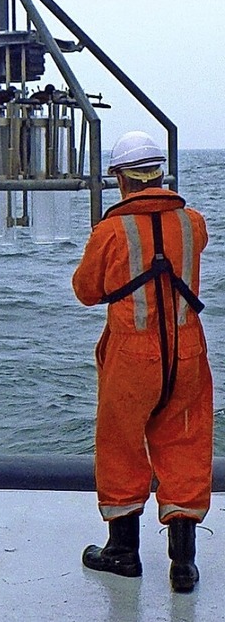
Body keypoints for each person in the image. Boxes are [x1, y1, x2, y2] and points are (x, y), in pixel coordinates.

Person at [72, 131, 213, 593]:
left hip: (132, 356)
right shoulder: (193, 222)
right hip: (188, 352)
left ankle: (123, 553)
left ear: (120, 179)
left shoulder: (110, 231)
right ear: (159, 173)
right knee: (186, 444)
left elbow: (86, 291)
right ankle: (184, 565)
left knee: (121, 447)